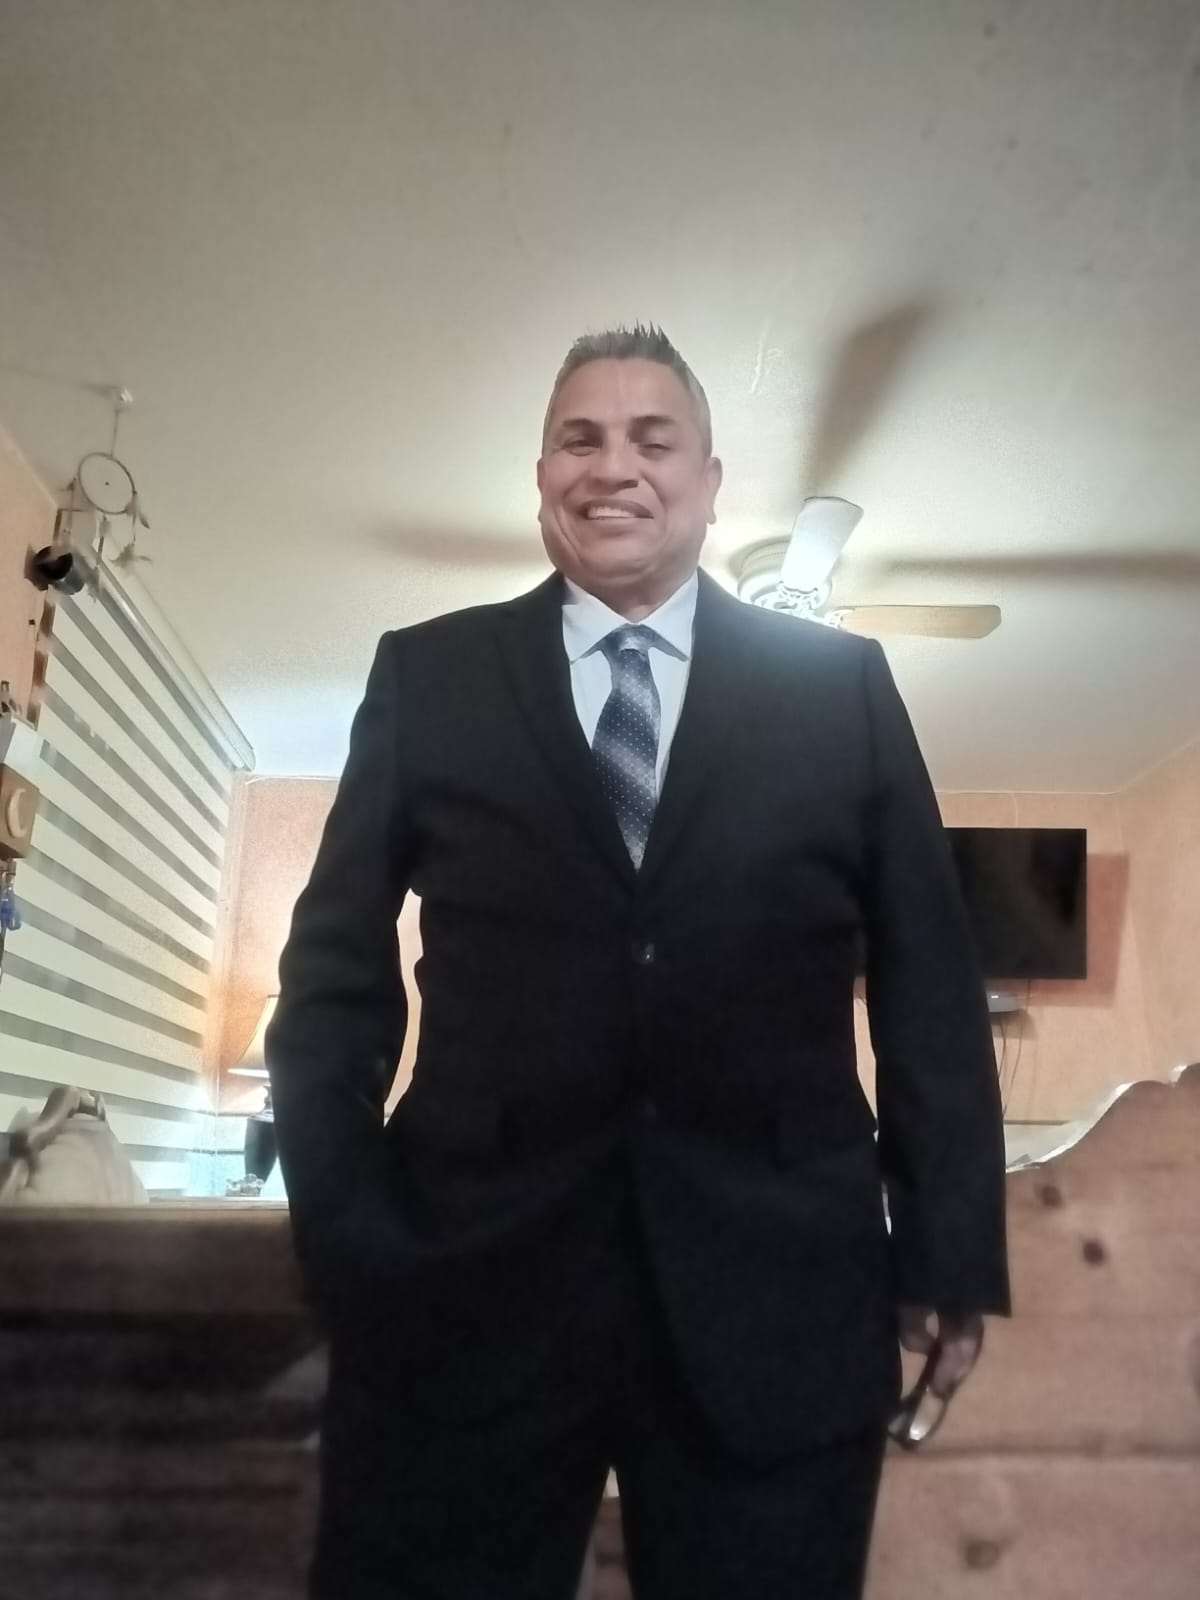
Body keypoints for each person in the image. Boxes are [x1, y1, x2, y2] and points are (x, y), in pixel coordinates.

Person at [267, 324, 1010, 1600]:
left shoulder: (840, 688)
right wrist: (345, 1230)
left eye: (652, 440)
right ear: (541, 476)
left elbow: (930, 980)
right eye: (581, 438)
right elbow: (332, 975)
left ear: (710, 483)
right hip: (462, 1295)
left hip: (778, 1302)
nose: (612, 466)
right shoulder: (429, 675)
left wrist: (948, 1244)